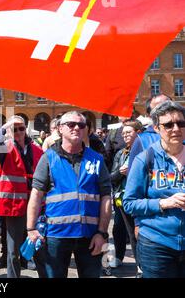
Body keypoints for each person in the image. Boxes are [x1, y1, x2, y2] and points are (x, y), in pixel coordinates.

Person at [28, 111, 112, 278]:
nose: (77, 128)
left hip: (90, 235)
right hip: (56, 235)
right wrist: (31, 229)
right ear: (60, 128)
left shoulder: (97, 159)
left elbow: (106, 197)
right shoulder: (48, 158)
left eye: (81, 125)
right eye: (71, 124)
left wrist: (102, 233)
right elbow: (36, 195)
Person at [123, 101, 185, 278]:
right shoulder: (145, 159)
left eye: (181, 123)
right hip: (157, 244)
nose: (176, 129)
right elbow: (129, 203)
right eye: (168, 125)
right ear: (157, 129)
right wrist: (164, 203)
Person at [0, 115, 43, 278]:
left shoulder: (37, 150)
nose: (19, 132)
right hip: (13, 205)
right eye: (15, 129)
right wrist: (5, 126)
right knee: (12, 250)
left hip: (36, 205)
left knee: (40, 248)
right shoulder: (5, 148)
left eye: (21, 128)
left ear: (26, 129)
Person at [109, 120, 142, 268]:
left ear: (138, 133)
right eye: (123, 133)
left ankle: (140, 265)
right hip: (121, 198)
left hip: (138, 198)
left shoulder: (145, 151)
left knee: (135, 232)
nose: (125, 135)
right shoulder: (120, 154)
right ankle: (118, 257)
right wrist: (121, 173)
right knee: (118, 229)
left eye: (128, 132)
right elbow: (111, 177)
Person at [128, 93, 171, 170]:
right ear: (149, 115)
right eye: (160, 108)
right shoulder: (142, 140)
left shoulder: (182, 134)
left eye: (169, 105)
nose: (166, 110)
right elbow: (134, 178)